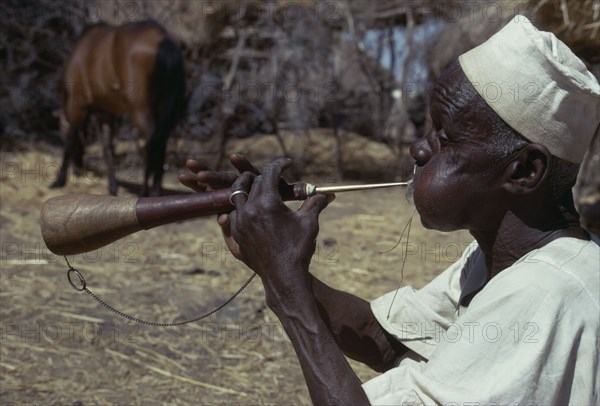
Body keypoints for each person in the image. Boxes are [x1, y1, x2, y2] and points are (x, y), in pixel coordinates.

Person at [180, 16, 599, 405]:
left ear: (525, 170)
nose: (418, 148)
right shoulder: (499, 257)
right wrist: (268, 253)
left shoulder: (546, 296)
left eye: (445, 137)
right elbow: (386, 339)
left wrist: (285, 283)